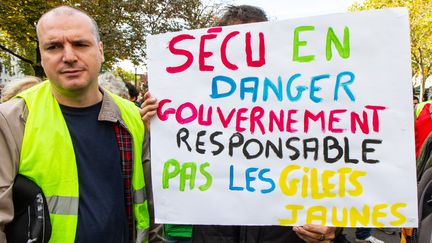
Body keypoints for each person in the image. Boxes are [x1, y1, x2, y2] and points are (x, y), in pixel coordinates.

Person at [141, 4, 337, 243]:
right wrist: (162, 134)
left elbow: (338, 175)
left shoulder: (309, 107)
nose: (247, 53)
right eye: (236, 46)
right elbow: (171, 183)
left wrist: (331, 228)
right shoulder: (197, 109)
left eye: (257, 42)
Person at [0, 6, 162, 242]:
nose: (69, 56)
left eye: (80, 44)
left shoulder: (132, 117)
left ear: (100, 51)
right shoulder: (12, 119)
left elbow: (151, 204)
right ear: (42, 56)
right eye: (54, 47)